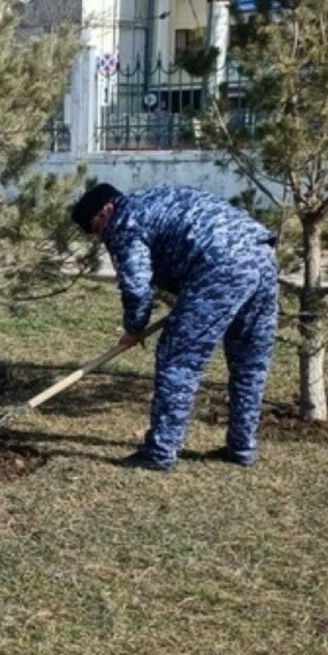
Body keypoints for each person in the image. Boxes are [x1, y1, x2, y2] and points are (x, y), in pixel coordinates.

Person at [71, 183, 280, 470]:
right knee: (250, 361)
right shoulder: (156, 197)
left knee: (177, 360)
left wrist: (134, 327)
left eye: (97, 229)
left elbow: (136, 286)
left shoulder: (123, 221)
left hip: (218, 266)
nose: (101, 237)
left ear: (106, 209)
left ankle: (160, 452)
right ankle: (242, 447)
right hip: (262, 255)